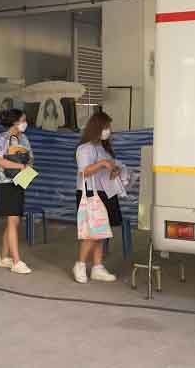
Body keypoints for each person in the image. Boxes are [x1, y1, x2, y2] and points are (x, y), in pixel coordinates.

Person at [72, 111, 124, 284]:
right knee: (92, 232)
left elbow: (106, 170)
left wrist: (114, 170)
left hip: (105, 192)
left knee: (102, 232)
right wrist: (102, 164)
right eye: (106, 127)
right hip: (90, 193)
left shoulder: (104, 148)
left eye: (109, 127)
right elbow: (84, 171)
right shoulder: (84, 148)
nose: (108, 130)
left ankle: (97, 267)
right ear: (97, 128)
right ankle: (80, 264)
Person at [0, 108, 33, 274]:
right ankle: (16, 261)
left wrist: (26, 167)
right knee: (12, 220)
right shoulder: (2, 138)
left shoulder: (24, 138)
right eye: (22, 120)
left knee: (14, 222)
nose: (25, 123)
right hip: (6, 183)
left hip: (20, 182)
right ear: (14, 122)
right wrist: (20, 166)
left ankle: (3, 257)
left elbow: (30, 158)